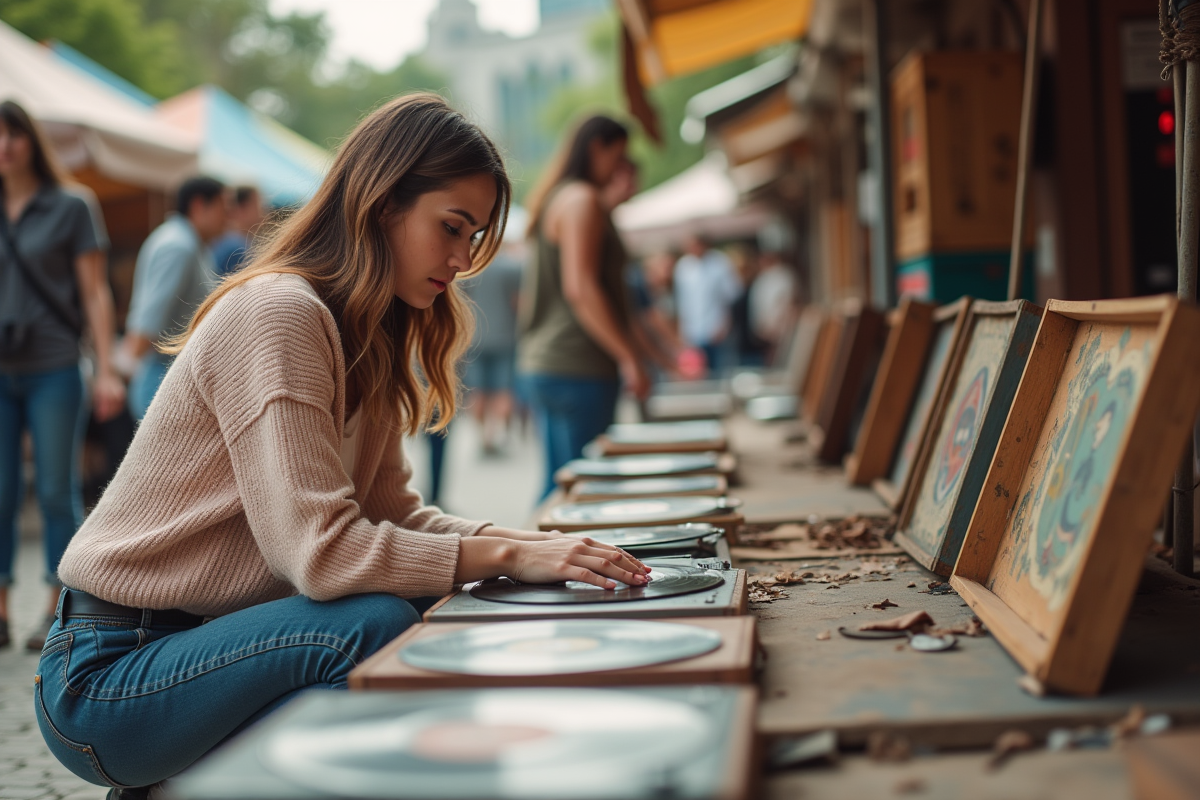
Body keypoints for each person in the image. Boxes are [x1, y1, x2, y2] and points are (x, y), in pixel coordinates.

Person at [35, 94, 648, 799]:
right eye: (451, 227)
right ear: (383, 203)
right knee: (376, 621)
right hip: (110, 676)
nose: (461, 259)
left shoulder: (367, 330)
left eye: (474, 236)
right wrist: (508, 554)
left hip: (207, 645)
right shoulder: (278, 313)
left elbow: (395, 517)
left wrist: (536, 548)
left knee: (430, 602)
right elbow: (322, 555)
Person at [0, 100, 125, 651]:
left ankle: (58, 610)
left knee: (55, 490)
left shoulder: (73, 204)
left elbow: (95, 292)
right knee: (0, 493)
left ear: (31, 141)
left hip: (54, 366)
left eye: (13, 135)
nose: (4, 146)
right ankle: (0, 609)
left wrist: (105, 370)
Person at [518, 116, 651, 498]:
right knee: (584, 491)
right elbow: (582, 288)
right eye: (619, 154)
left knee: (561, 487)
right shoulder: (582, 200)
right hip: (579, 364)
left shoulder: (559, 198)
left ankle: (530, 557)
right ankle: (530, 559)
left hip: (548, 362)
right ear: (597, 148)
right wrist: (629, 357)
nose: (621, 166)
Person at [118, 176, 227, 420]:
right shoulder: (179, 246)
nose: (226, 217)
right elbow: (149, 318)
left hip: (167, 379)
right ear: (199, 206)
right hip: (162, 382)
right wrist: (122, 373)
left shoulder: (186, 242)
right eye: (222, 207)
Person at [673, 233, 741, 375]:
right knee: (698, 370)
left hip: (715, 328)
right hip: (692, 331)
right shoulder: (683, 266)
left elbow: (731, 296)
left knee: (720, 370)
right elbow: (682, 302)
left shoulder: (720, 263)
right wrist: (682, 329)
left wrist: (723, 324)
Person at [748, 250, 798, 364]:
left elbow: (786, 302)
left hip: (780, 327)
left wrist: (776, 324)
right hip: (767, 330)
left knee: (782, 357)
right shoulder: (763, 276)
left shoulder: (784, 276)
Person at [210, 185, 265, 276]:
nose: (263, 211)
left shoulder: (227, 239)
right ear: (243, 208)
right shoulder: (237, 247)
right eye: (258, 205)